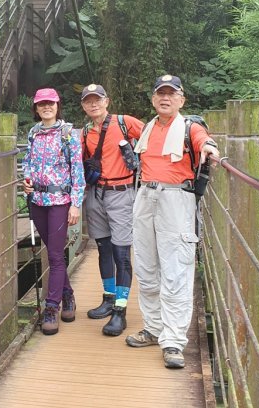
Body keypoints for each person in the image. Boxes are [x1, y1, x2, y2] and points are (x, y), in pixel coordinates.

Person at [125, 74, 219, 369]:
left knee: (176, 270)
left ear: (181, 99)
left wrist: (209, 148)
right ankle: (154, 328)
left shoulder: (191, 126)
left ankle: (174, 340)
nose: (165, 98)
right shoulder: (149, 128)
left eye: (171, 94)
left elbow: (203, 140)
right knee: (146, 266)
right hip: (146, 196)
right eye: (160, 94)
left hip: (176, 200)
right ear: (153, 99)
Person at [80, 84, 144, 336]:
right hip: (96, 194)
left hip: (121, 193)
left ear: (107, 101)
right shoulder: (85, 132)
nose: (93, 104)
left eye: (98, 100)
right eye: (88, 101)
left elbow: (154, 135)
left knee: (121, 253)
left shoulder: (125, 122)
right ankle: (108, 298)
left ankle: (120, 310)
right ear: (84, 106)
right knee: (103, 248)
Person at [23, 88, 85, 336]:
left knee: (56, 256)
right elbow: (28, 161)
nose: (46, 107)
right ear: (36, 108)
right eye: (42, 104)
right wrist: (25, 179)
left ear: (57, 105)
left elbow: (77, 170)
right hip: (36, 198)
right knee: (53, 251)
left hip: (60, 200)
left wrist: (76, 203)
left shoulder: (68, 133)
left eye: (50, 103)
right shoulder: (33, 132)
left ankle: (52, 307)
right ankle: (68, 295)